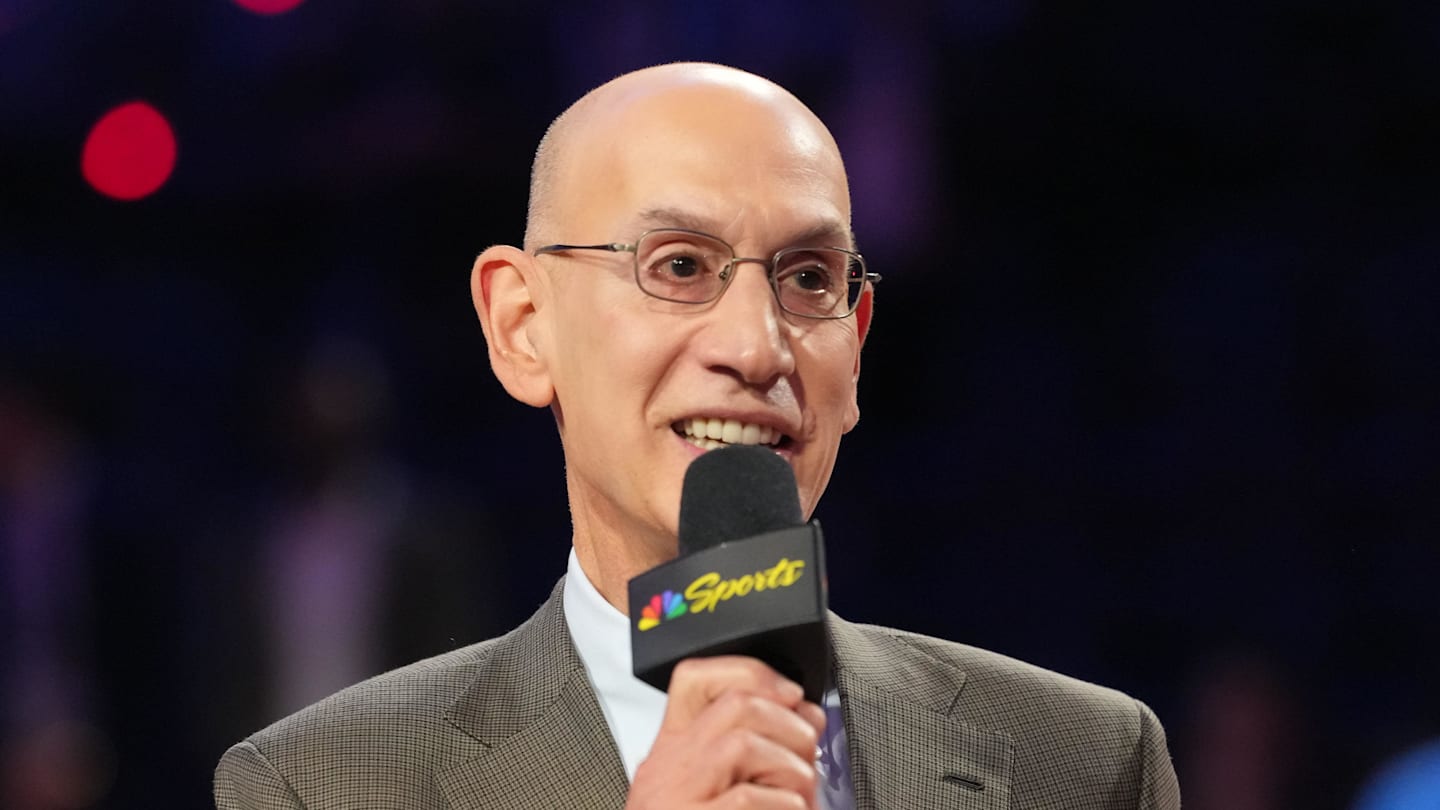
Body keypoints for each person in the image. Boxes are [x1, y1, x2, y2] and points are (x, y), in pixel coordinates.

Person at [214, 62, 1181, 810]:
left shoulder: (1087, 761)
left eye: (809, 280)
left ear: (857, 342)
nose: (758, 347)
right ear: (522, 326)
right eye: (680, 265)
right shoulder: (323, 785)